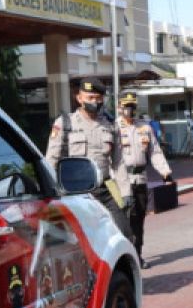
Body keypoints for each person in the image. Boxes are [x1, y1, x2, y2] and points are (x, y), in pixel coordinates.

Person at [44, 77, 131, 239]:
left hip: (103, 190)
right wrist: (50, 194)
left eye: (98, 98)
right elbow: (51, 160)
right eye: (90, 97)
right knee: (82, 239)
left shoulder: (111, 125)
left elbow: (118, 162)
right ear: (79, 98)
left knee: (124, 233)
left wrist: (126, 193)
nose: (94, 102)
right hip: (74, 193)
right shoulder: (65, 123)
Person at [115, 92, 174, 269]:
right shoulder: (113, 128)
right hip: (120, 181)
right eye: (126, 106)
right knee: (121, 220)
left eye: (132, 106)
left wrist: (165, 172)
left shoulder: (145, 128)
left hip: (140, 179)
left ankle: (137, 255)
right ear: (119, 106)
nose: (129, 109)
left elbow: (155, 152)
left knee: (138, 220)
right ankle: (121, 259)